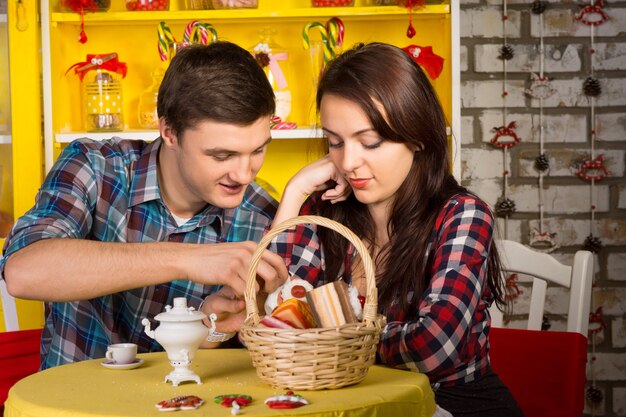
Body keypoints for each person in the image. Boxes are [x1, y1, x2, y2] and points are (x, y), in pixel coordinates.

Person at [0, 41, 288, 369]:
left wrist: (209, 330)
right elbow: (23, 273)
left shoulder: (262, 218)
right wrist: (187, 259)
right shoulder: (95, 167)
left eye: (258, 150)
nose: (243, 173)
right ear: (169, 131)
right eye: (221, 155)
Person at [272, 43, 524, 416]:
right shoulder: (323, 212)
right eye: (335, 142)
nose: (348, 162)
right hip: (349, 406)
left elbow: (432, 347)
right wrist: (295, 191)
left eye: (369, 142)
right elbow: (270, 321)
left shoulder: (462, 216)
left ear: (418, 136)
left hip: (454, 404)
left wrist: (327, 333)